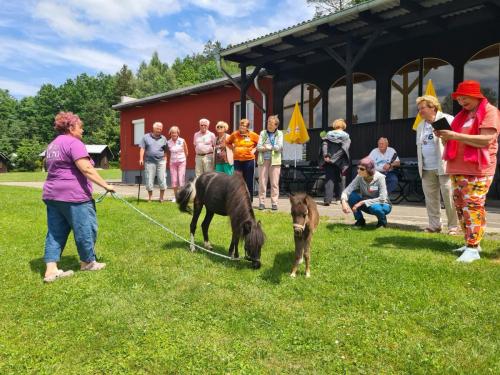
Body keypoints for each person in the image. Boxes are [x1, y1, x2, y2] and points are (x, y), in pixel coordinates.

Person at [42, 112, 115, 283]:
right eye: (80, 126)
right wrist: (106, 186)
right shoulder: (74, 143)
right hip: (73, 196)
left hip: (52, 195)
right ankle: (87, 262)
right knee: (86, 228)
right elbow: (86, 168)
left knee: (55, 232)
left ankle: (51, 271)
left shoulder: (52, 145)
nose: (83, 130)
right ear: (71, 127)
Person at [436, 80, 500, 263]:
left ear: (476, 95)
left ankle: (473, 248)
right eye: (459, 98)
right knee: (460, 206)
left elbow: (487, 139)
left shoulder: (490, 112)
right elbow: (454, 142)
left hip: (478, 169)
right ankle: (471, 243)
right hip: (458, 167)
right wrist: (445, 138)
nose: (461, 101)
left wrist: (454, 135)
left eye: (465, 97)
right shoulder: (461, 116)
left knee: (472, 206)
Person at [415, 95, 459, 234]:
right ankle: (435, 226)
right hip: (426, 168)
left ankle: (453, 227)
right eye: (419, 109)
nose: (420, 111)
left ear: (432, 107)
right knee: (431, 200)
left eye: (422, 108)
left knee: (449, 198)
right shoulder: (420, 126)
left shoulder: (447, 119)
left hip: (445, 166)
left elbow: (456, 141)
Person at [340, 157, 392, 228]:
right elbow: (347, 190)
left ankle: (382, 222)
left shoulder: (380, 177)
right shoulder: (359, 176)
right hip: (366, 204)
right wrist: (343, 202)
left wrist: (362, 202)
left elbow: (382, 198)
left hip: (383, 204)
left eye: (362, 169)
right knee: (352, 195)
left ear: (369, 170)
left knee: (375, 208)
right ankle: (360, 221)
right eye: (358, 168)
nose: (358, 171)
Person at [226, 118, 259, 200]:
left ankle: (249, 199)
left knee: (249, 180)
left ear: (247, 127)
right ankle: (239, 198)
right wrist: (233, 149)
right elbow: (227, 142)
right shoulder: (235, 134)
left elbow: (261, 142)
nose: (242, 127)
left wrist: (255, 150)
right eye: (241, 125)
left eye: (244, 126)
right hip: (237, 160)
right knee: (238, 180)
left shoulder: (252, 135)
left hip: (249, 160)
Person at [320, 119, 351, 206]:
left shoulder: (327, 135)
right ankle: (340, 199)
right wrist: (334, 158)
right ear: (343, 126)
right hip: (340, 161)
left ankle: (327, 200)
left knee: (329, 179)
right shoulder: (346, 137)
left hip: (328, 160)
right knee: (340, 180)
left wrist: (326, 156)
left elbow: (324, 145)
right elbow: (344, 149)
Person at [257, 115, 284, 211]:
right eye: (268, 122)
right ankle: (261, 202)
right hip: (263, 160)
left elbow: (279, 147)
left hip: (275, 161)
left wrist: (267, 147)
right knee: (262, 183)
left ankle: (274, 203)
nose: (268, 125)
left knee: (274, 183)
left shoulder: (279, 133)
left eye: (271, 123)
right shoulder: (263, 133)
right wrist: (272, 147)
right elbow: (258, 147)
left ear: (276, 125)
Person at [139, 121, 168, 202]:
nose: (159, 130)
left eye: (160, 129)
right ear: (153, 128)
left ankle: (161, 198)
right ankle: (150, 198)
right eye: (158, 129)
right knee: (149, 179)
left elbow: (166, 150)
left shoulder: (163, 138)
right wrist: (141, 159)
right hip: (149, 162)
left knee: (162, 179)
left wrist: (166, 160)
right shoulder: (146, 137)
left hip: (161, 162)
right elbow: (142, 148)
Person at [167, 125, 188, 202]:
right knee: (174, 180)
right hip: (172, 162)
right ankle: (176, 197)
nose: (174, 134)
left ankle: (182, 196)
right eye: (172, 133)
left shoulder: (182, 140)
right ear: (170, 133)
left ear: (178, 133)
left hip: (182, 161)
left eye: (175, 132)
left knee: (181, 179)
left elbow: (186, 151)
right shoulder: (168, 142)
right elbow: (166, 152)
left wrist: (184, 159)